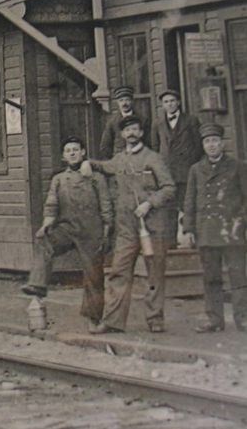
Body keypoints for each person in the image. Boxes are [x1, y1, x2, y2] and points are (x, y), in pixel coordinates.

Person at [84, 116, 176, 334]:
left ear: (141, 133)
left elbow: (169, 188)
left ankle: (155, 318)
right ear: (123, 135)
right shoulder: (120, 159)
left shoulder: (153, 159)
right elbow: (104, 166)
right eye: (127, 130)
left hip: (153, 228)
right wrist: (87, 163)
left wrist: (149, 203)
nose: (131, 133)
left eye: (135, 129)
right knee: (119, 272)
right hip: (127, 229)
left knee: (154, 274)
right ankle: (113, 321)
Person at [21, 137, 114, 333]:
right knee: (44, 241)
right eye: (68, 150)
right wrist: (47, 224)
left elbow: (106, 206)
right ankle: (37, 286)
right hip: (67, 228)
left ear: (83, 152)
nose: (72, 153)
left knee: (94, 276)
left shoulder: (96, 178)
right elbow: (51, 205)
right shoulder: (59, 180)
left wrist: (106, 231)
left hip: (91, 231)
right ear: (64, 156)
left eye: (75, 149)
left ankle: (94, 320)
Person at [183, 123, 247, 333]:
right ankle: (214, 319)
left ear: (222, 143)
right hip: (207, 231)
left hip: (232, 230)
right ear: (203, 145)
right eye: (207, 141)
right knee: (211, 278)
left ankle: (243, 317)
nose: (211, 145)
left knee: (239, 278)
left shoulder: (237, 166)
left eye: (215, 141)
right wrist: (190, 229)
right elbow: (190, 201)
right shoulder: (195, 170)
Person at [151, 89, 203, 244]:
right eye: (166, 102)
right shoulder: (157, 123)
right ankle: (171, 243)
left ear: (178, 102)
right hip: (167, 175)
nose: (169, 104)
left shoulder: (191, 121)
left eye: (172, 101)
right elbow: (155, 147)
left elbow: (198, 147)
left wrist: (189, 164)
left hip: (186, 173)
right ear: (163, 105)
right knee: (168, 210)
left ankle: (191, 241)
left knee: (188, 206)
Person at [99, 86, 152, 160]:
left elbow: (149, 144)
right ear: (117, 102)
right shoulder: (112, 122)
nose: (124, 103)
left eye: (127, 100)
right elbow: (105, 146)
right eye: (121, 100)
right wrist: (115, 159)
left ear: (132, 101)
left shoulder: (143, 120)